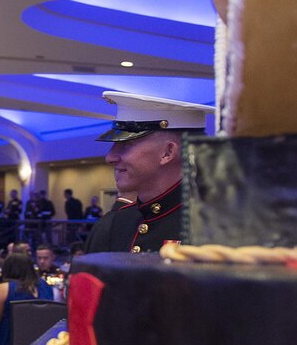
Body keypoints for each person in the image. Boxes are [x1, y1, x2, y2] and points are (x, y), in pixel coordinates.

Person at [85, 91, 214, 253]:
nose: (110, 157)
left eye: (126, 144)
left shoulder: (217, 228)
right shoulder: (115, 225)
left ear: (167, 153)